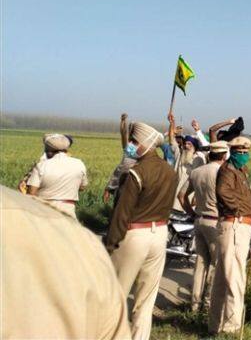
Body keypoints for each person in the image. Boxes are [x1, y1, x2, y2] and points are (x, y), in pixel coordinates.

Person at [1, 185, 131, 339]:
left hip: (42, 208)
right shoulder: (82, 242)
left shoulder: (44, 163)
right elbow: (83, 186)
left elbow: (32, 189)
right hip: (56, 214)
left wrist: (111, 240)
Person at [105, 122, 178, 340]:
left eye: (135, 142)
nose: (131, 146)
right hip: (160, 234)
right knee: (146, 300)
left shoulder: (136, 172)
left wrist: (110, 244)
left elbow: (122, 213)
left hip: (134, 234)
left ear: (145, 145)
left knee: (116, 295)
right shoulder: (169, 171)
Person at [209, 137, 251, 335]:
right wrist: (240, 210)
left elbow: (247, 198)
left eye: (246, 152)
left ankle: (216, 325)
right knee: (235, 278)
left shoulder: (241, 171)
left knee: (223, 277)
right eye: (241, 152)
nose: (244, 155)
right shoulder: (227, 170)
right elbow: (223, 192)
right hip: (234, 225)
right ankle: (232, 328)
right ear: (232, 152)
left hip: (238, 224)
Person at [178, 141, 229, 313]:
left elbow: (181, 195)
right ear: (224, 155)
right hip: (215, 221)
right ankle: (208, 304)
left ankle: (194, 304)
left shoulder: (197, 172)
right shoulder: (223, 172)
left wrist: (191, 213)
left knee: (200, 263)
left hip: (199, 220)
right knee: (216, 264)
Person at [26, 133, 88, 219]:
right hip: (68, 211)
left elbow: (31, 193)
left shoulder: (41, 166)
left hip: (44, 211)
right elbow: (82, 187)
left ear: (49, 151)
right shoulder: (79, 164)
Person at [168, 113, 205, 211]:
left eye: (189, 144)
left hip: (188, 200)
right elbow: (171, 139)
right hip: (173, 200)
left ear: (194, 147)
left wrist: (196, 197)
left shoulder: (199, 159)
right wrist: (172, 123)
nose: (186, 146)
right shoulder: (179, 154)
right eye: (185, 143)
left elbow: (200, 180)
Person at [104, 113, 137, 206]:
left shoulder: (143, 148)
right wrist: (123, 122)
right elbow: (124, 134)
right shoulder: (131, 148)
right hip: (125, 185)